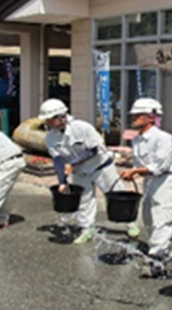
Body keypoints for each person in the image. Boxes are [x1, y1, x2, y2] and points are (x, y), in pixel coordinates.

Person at [41, 98, 137, 244]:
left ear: (61, 116)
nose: (47, 122)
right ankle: (87, 229)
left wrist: (73, 163)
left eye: (49, 119)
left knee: (116, 195)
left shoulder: (82, 128)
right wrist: (62, 181)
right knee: (84, 201)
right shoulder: (51, 137)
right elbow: (58, 161)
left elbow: (94, 150)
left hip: (101, 167)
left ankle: (130, 223)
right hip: (80, 172)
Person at [119, 98, 172, 278]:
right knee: (149, 217)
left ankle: (156, 259)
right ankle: (165, 251)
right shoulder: (137, 140)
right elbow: (141, 165)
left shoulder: (163, 138)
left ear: (151, 117)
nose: (134, 118)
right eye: (134, 115)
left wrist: (135, 171)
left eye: (139, 115)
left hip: (167, 181)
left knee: (163, 218)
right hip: (151, 181)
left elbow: (159, 166)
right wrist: (135, 172)